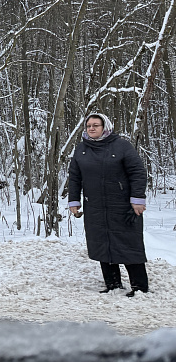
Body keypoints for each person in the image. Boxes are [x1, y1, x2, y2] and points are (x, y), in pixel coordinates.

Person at [67, 113, 148, 297]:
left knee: (128, 244)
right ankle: (113, 284)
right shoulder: (81, 149)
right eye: (88, 126)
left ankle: (140, 287)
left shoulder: (121, 146)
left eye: (96, 125)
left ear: (105, 126)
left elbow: (138, 172)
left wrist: (137, 199)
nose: (92, 128)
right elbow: (75, 177)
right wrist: (74, 201)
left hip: (122, 206)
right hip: (94, 206)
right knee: (102, 244)